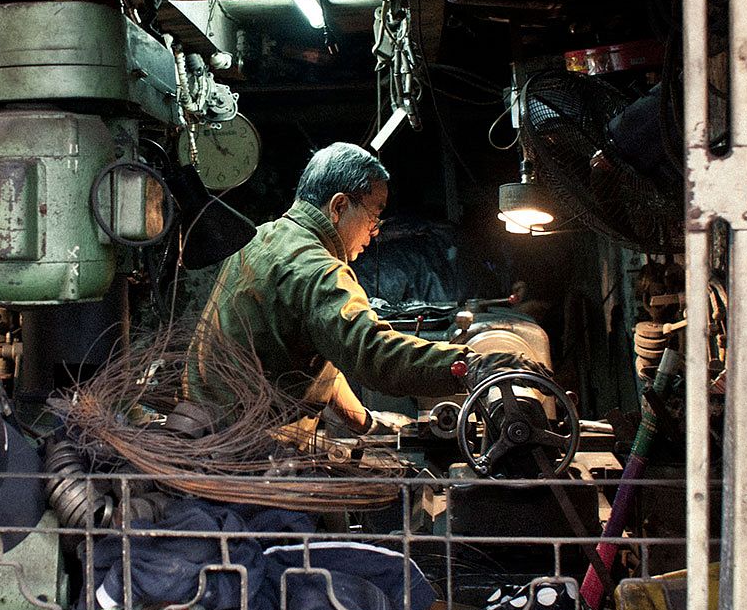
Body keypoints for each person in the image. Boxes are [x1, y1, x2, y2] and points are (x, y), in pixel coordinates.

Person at [193, 142, 544, 432]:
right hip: (248, 448)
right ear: (339, 206)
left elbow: (323, 364)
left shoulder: (263, 239)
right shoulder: (318, 271)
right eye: (375, 217)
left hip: (209, 428)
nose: (374, 234)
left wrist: (369, 425)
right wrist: (471, 366)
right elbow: (372, 354)